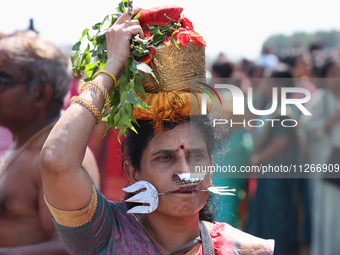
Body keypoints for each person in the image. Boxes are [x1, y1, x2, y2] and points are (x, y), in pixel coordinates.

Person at [40, 5, 274, 255]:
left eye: (196, 156)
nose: (186, 173)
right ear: (133, 172)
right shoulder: (107, 234)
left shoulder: (245, 249)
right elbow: (56, 161)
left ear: (211, 169)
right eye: (165, 157)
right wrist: (113, 66)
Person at [0, 30, 100, 254]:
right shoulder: (28, 143)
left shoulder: (60, 153)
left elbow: (74, 247)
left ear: (40, 95)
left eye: (1, 80)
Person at [300, 60, 340, 255]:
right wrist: (331, 120)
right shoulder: (318, 99)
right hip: (325, 169)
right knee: (326, 215)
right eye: (333, 73)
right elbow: (307, 127)